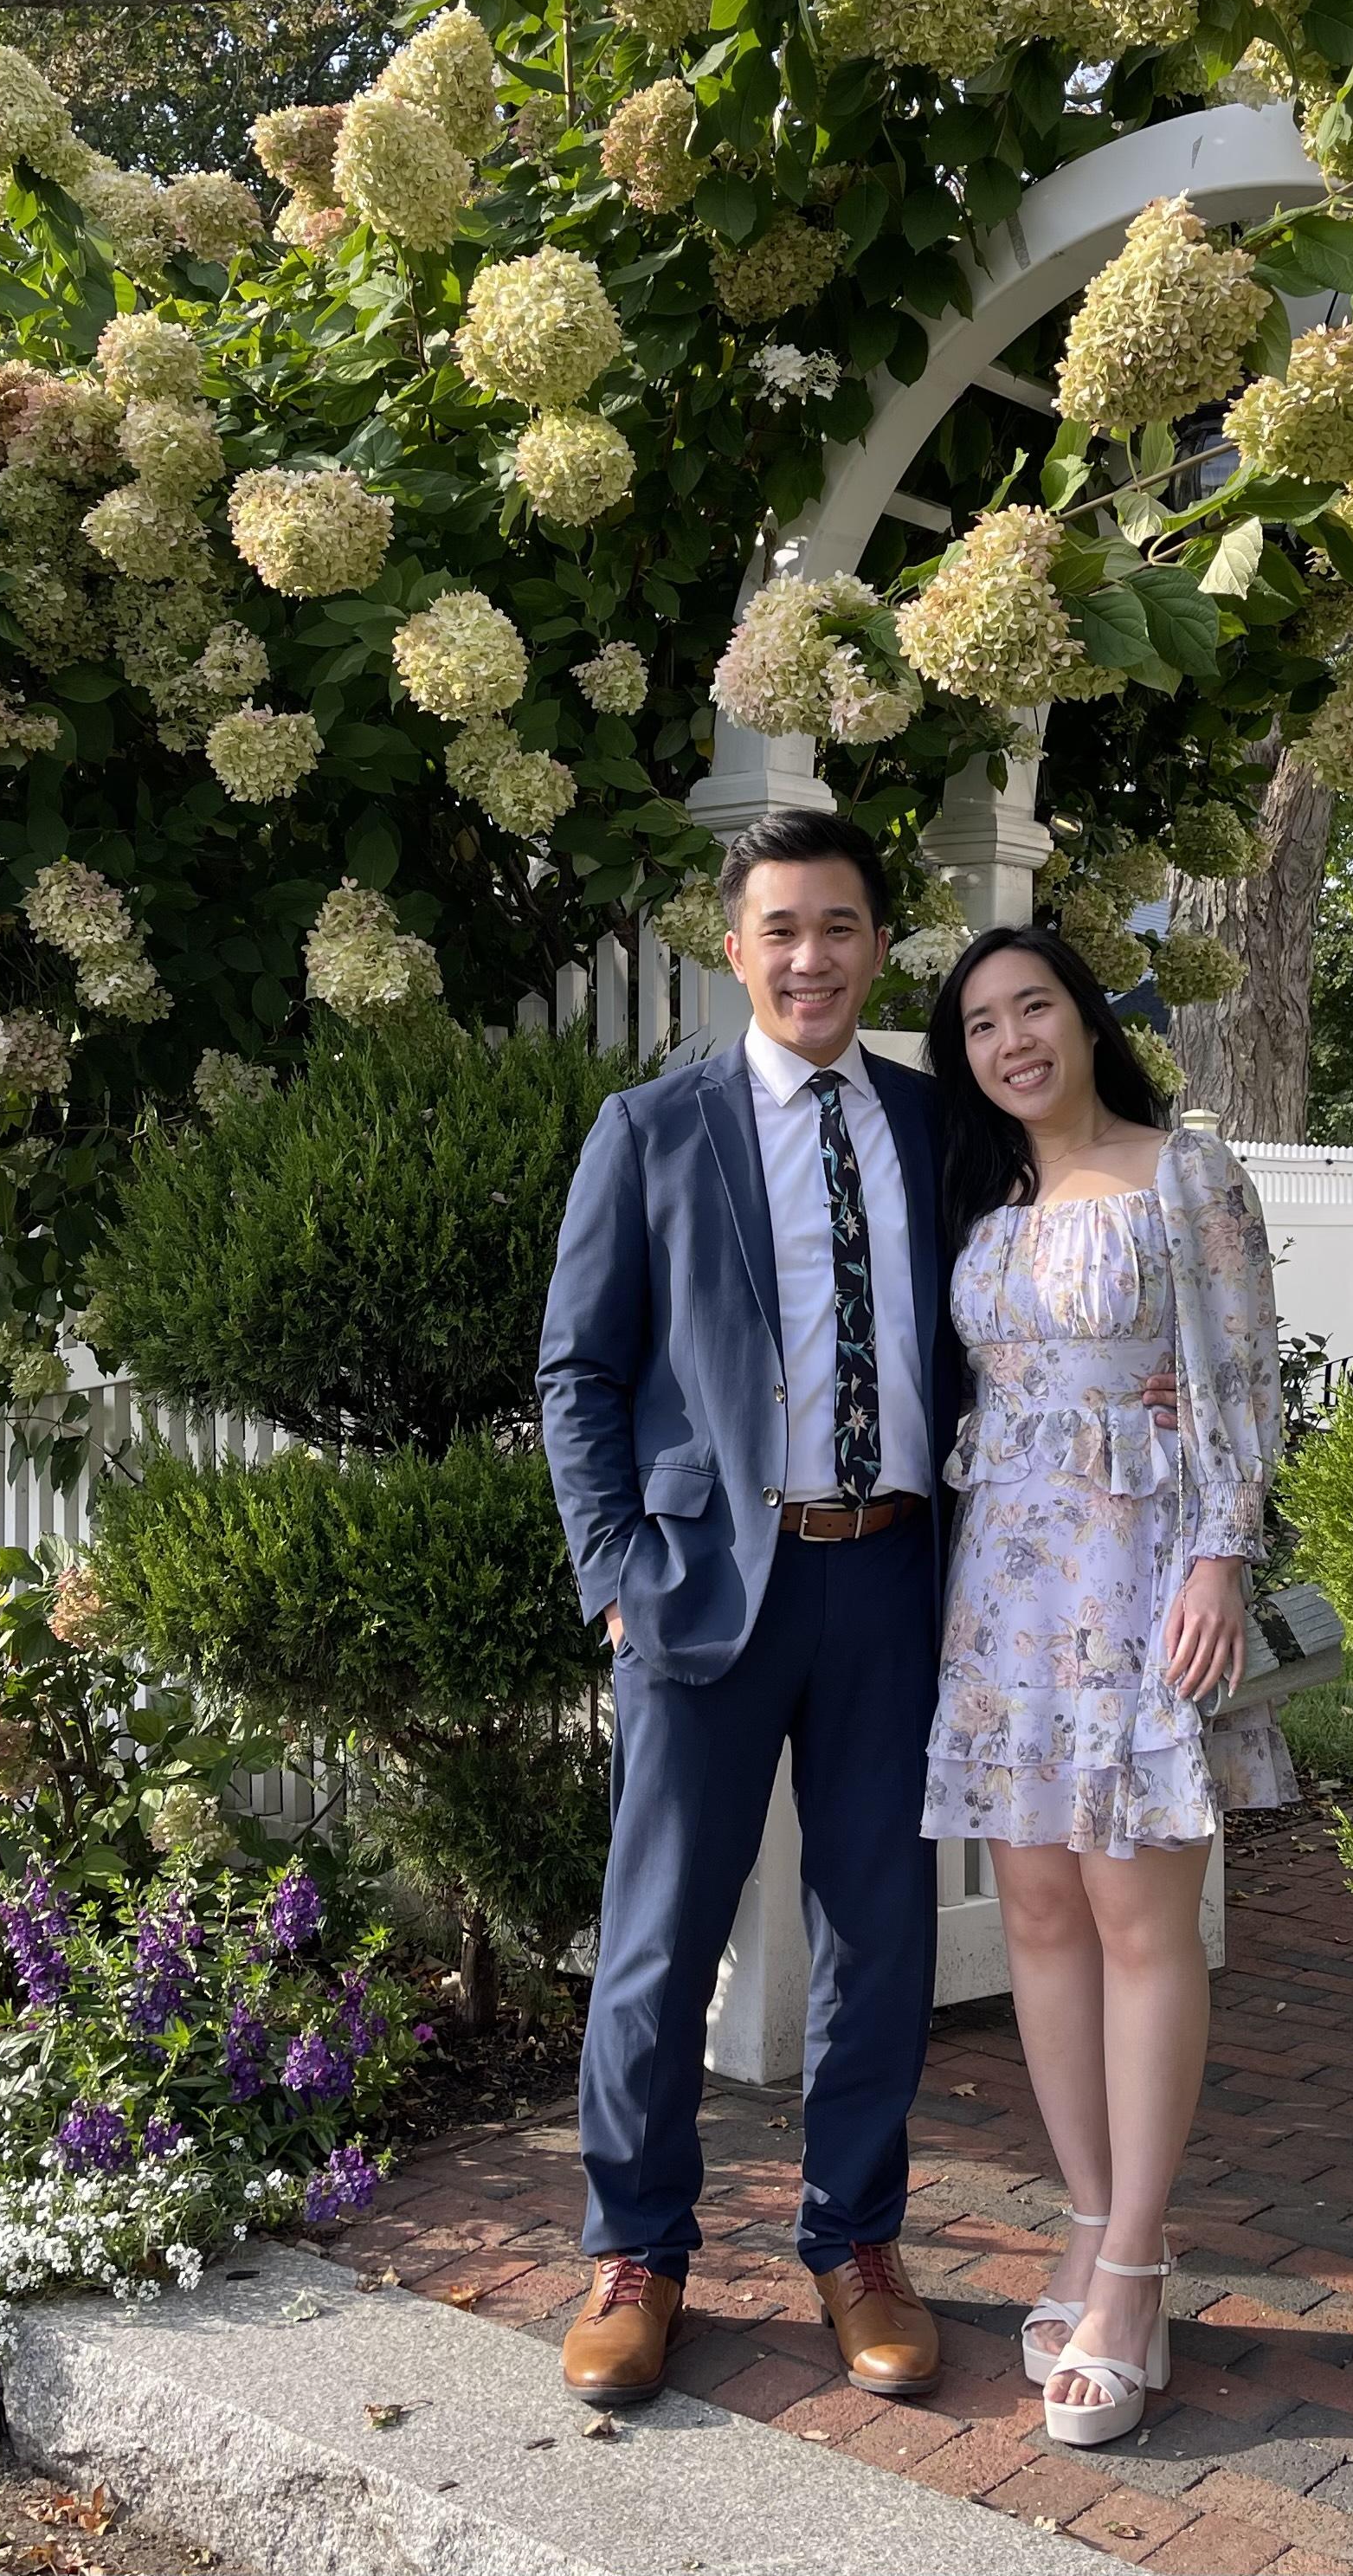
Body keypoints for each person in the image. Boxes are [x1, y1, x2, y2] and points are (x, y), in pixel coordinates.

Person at [536, 806, 957, 2408]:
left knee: (882, 1935)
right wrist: (615, 1576)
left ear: (877, 944)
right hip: (704, 1587)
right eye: (781, 928)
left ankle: (857, 2243)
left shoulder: (937, 1125)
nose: (811, 957)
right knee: (660, 1941)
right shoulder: (653, 1129)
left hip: (894, 1576)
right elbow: (579, 1371)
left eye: (839, 925)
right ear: (735, 951)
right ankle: (635, 2252)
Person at [921, 923, 1296, 2448]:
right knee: (1035, 1909)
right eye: (982, 1024)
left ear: (1087, 1021)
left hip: (1141, 1570)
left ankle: (1135, 2268)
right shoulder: (986, 1201)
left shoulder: (1182, 1171)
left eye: (1036, 1009)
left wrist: (1221, 1559)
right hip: (1007, 1583)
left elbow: (1244, 1372)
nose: (1013, 1041)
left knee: (1140, 1910)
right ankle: (1086, 2219)